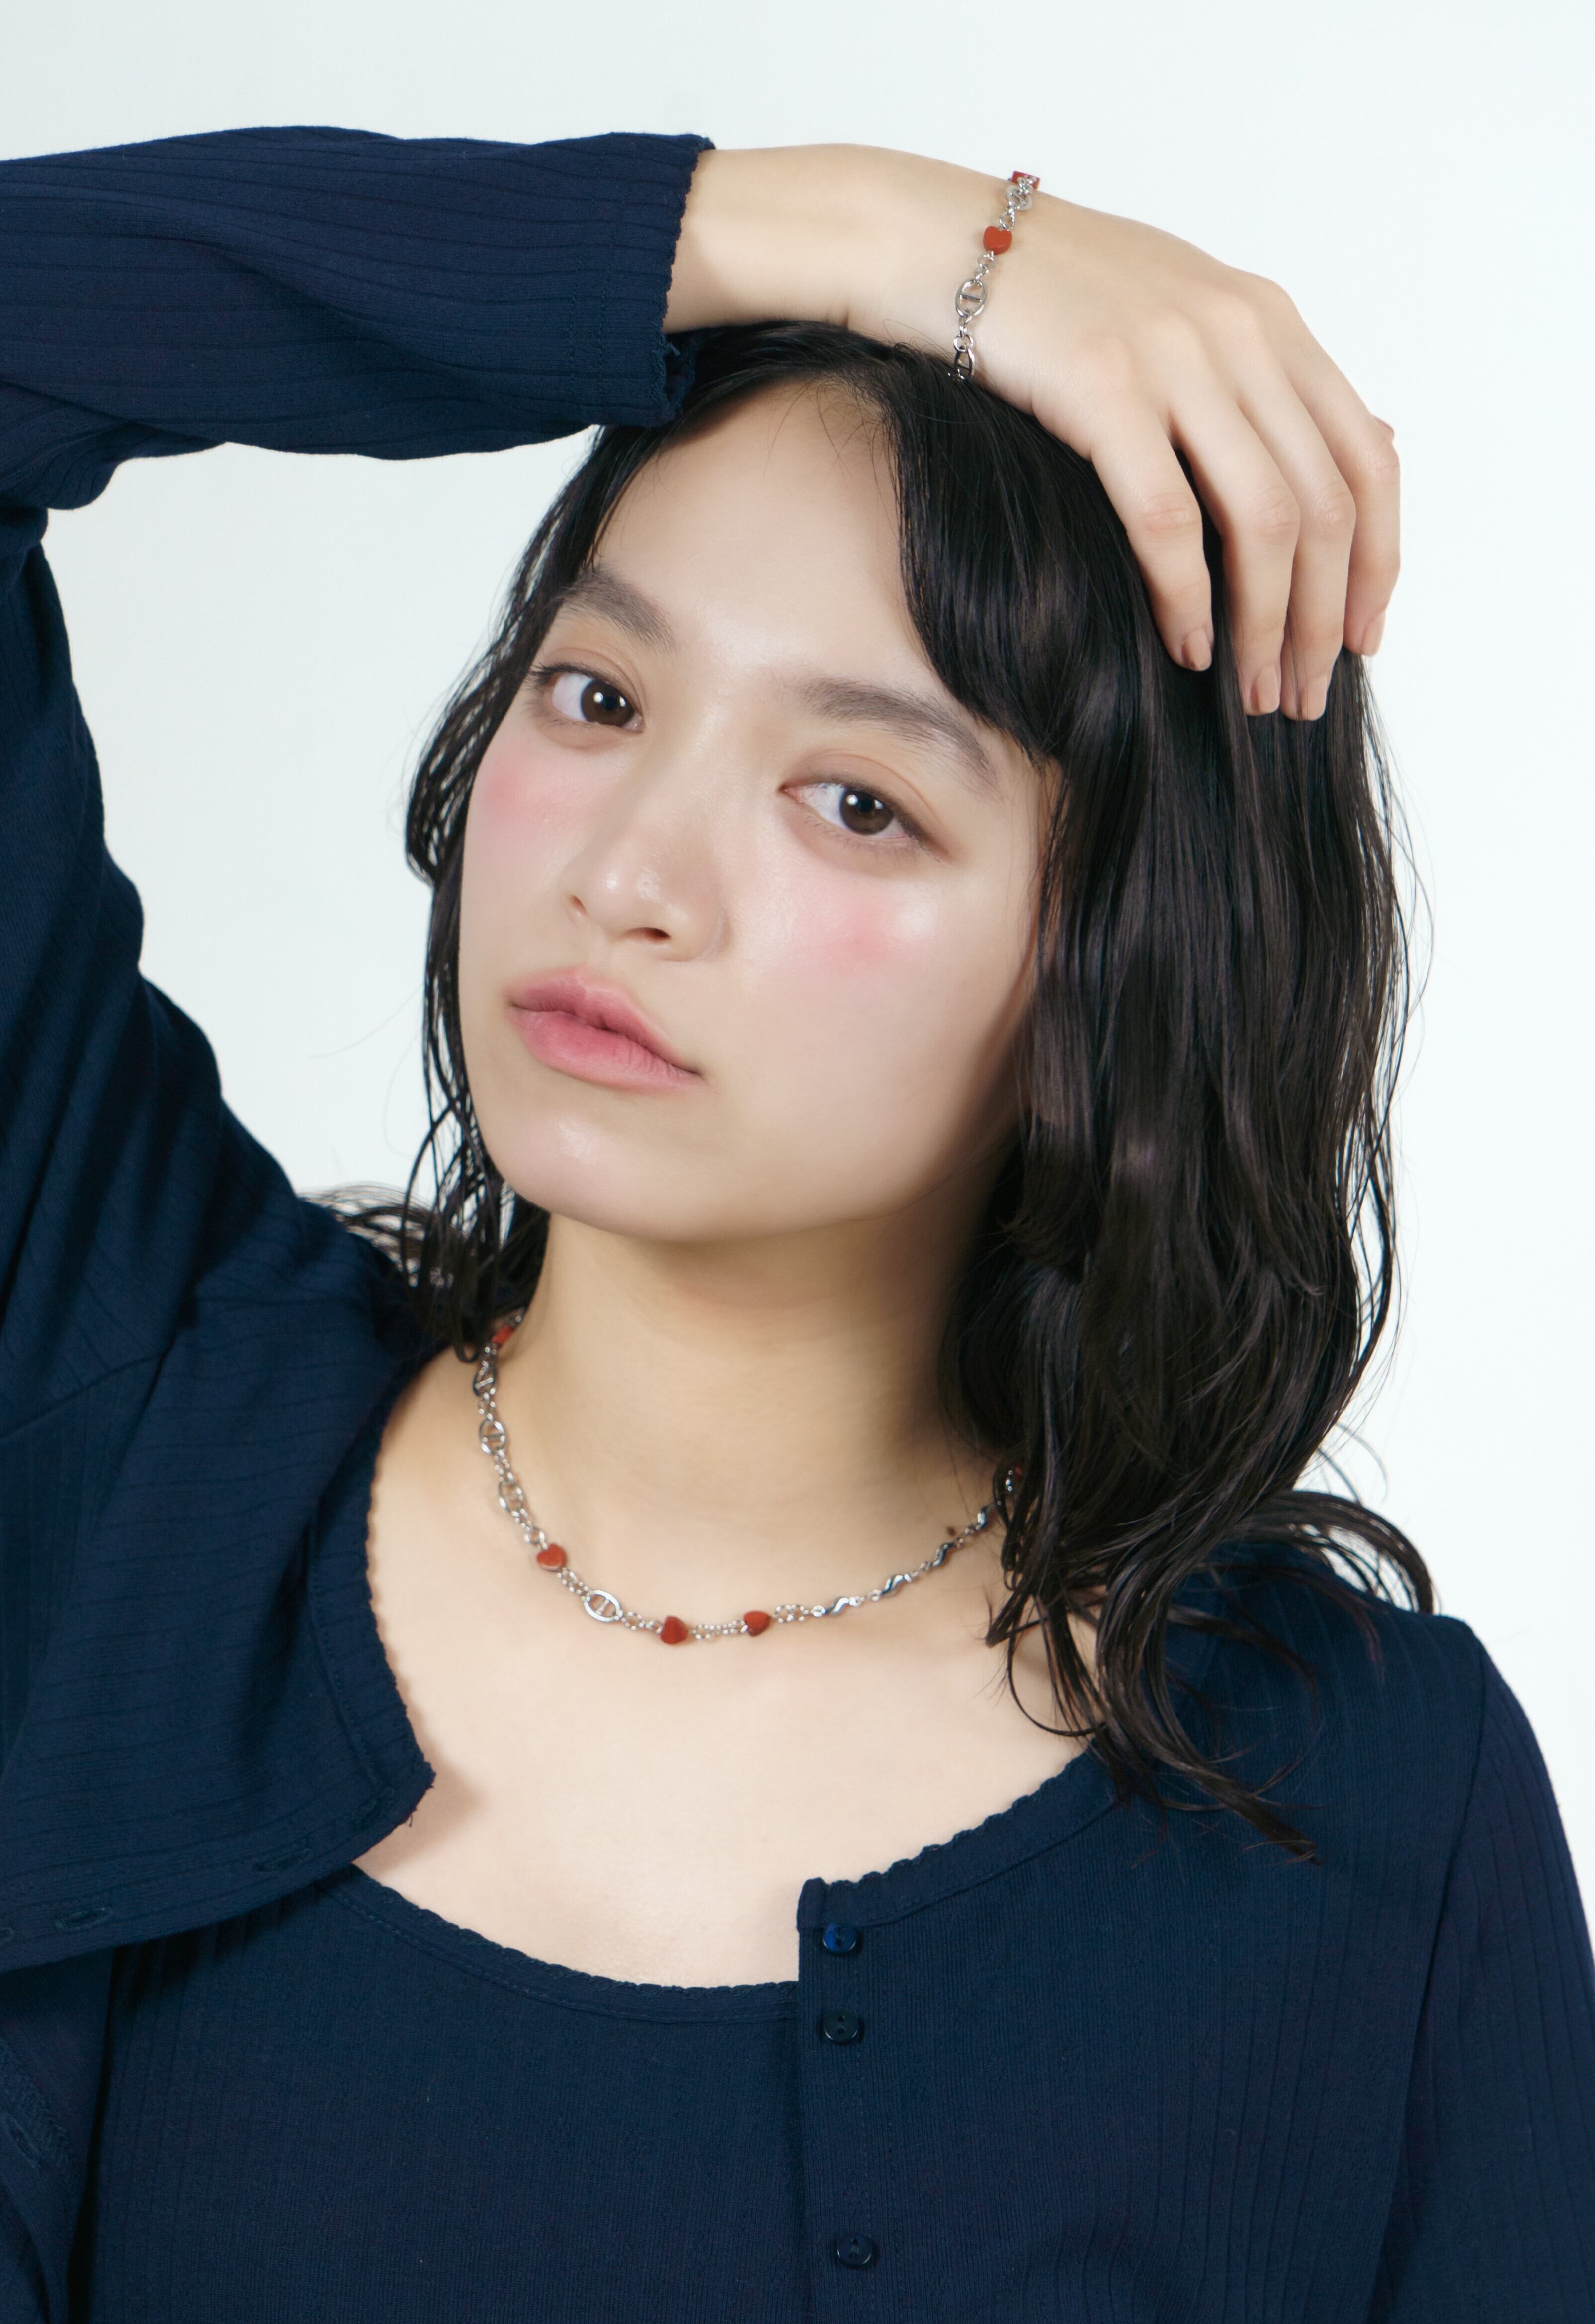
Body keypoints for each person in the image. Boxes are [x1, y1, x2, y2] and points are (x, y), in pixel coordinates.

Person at [0, 124, 1589, 2323]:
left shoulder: (1363, 1810)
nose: (629, 873)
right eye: (598, 696)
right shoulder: (118, 1390)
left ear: (1120, 972)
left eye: (856, 799)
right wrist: (868, 234)